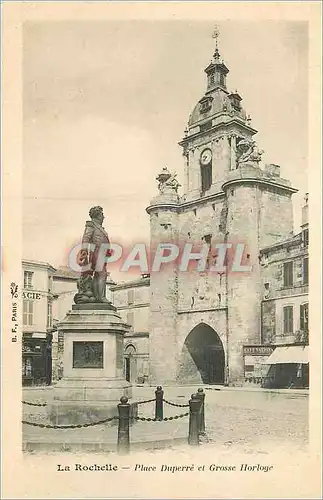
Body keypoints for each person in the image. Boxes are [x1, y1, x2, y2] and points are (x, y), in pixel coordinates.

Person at [79, 206, 111, 303]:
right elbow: (86, 238)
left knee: (99, 274)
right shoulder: (91, 225)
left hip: (102, 252)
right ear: (97, 215)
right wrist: (84, 252)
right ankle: (101, 297)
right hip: (96, 252)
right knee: (102, 273)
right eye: (102, 214)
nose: (103, 217)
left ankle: (98, 296)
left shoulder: (99, 227)